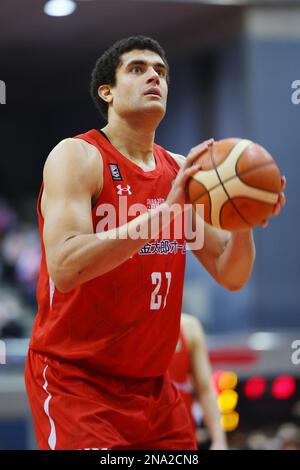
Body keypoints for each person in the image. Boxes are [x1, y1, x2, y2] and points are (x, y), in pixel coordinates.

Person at [24, 35, 285, 450]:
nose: (154, 78)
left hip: (153, 388)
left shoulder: (181, 170)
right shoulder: (77, 157)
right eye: (138, 69)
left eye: (161, 72)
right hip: (77, 381)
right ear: (105, 92)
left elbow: (230, 273)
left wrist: (242, 218)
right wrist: (163, 214)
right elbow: (65, 265)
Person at [169, 313, 227, 450]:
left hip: (181, 439)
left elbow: (205, 390)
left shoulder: (189, 328)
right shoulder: (127, 327)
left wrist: (219, 441)